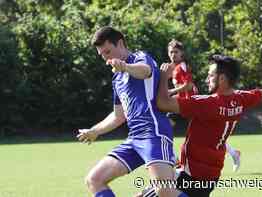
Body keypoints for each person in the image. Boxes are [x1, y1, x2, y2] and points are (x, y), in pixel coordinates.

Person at [139, 54, 262, 197]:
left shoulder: (206, 103)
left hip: (192, 176)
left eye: (210, 75)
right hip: (210, 176)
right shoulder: (241, 99)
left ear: (222, 79)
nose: (207, 79)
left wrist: (163, 77)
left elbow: (162, 103)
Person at [76, 26, 188, 197]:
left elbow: (145, 71)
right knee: (94, 179)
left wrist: (126, 67)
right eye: (102, 55)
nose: (106, 58)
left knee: (164, 190)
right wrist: (94, 131)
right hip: (134, 139)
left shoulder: (140, 58)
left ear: (120, 43)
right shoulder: (117, 78)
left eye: (108, 51)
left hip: (154, 133)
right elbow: (118, 115)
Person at [167, 40, 241, 171]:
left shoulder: (182, 66)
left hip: (191, 103)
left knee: (166, 123)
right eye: (171, 52)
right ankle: (234, 153)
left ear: (182, 53)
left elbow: (188, 85)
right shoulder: (173, 68)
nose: (173, 55)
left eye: (176, 52)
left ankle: (172, 157)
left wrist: (171, 92)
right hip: (184, 103)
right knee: (167, 123)